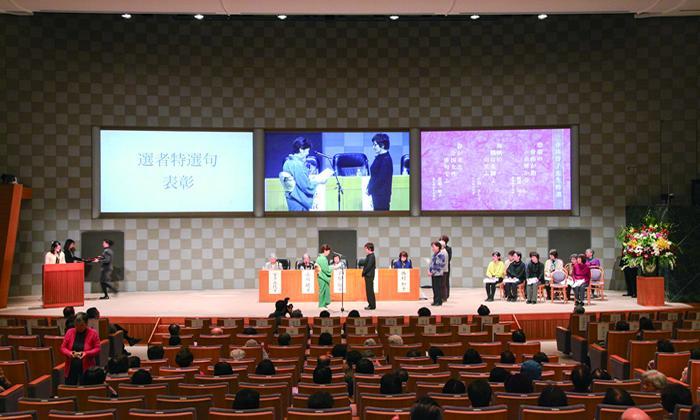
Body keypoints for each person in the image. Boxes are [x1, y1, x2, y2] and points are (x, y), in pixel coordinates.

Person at [282, 137, 325, 211]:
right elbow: (306, 186)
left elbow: (299, 181)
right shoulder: (297, 165)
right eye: (307, 151)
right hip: (299, 202)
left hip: (292, 199)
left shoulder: (288, 162)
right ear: (301, 149)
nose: (308, 153)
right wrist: (318, 181)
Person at [61, 312, 101, 385]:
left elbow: (97, 349)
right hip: (71, 367)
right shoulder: (70, 332)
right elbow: (63, 348)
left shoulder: (93, 333)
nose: (79, 327)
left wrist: (86, 353)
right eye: (76, 325)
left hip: (87, 368)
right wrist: (70, 353)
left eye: (81, 325)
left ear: (86, 324)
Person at [366, 133, 393, 211]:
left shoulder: (386, 159)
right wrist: (369, 187)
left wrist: (370, 190)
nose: (373, 147)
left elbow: (380, 179)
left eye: (375, 145)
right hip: (377, 193)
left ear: (382, 145)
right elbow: (374, 175)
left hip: (382, 195)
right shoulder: (379, 157)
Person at [358, 242, 377, 310]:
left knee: (370, 290)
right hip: (368, 275)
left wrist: (363, 272)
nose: (365, 250)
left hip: (369, 275)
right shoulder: (370, 256)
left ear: (369, 249)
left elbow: (368, 266)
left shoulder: (372, 256)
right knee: (369, 290)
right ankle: (371, 304)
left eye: (366, 249)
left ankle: (372, 305)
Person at [428, 241, 446, 306]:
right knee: (434, 288)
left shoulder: (441, 254)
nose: (432, 248)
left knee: (438, 288)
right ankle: (435, 300)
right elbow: (431, 264)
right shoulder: (434, 254)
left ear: (438, 247)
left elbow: (438, 265)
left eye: (433, 247)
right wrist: (429, 270)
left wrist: (432, 272)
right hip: (434, 274)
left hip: (438, 274)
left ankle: (438, 301)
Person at [314, 244, 332, 309]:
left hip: (321, 276)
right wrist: (333, 267)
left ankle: (324, 304)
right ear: (325, 250)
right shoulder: (322, 258)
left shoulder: (321, 257)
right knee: (322, 290)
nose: (329, 253)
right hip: (322, 276)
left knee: (324, 290)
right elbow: (326, 269)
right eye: (328, 251)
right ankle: (321, 305)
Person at [440, 235, 453, 301]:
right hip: (439, 267)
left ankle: (446, 295)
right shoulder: (439, 248)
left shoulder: (448, 249)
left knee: (446, 281)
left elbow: (449, 258)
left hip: (446, 266)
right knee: (441, 282)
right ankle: (441, 295)